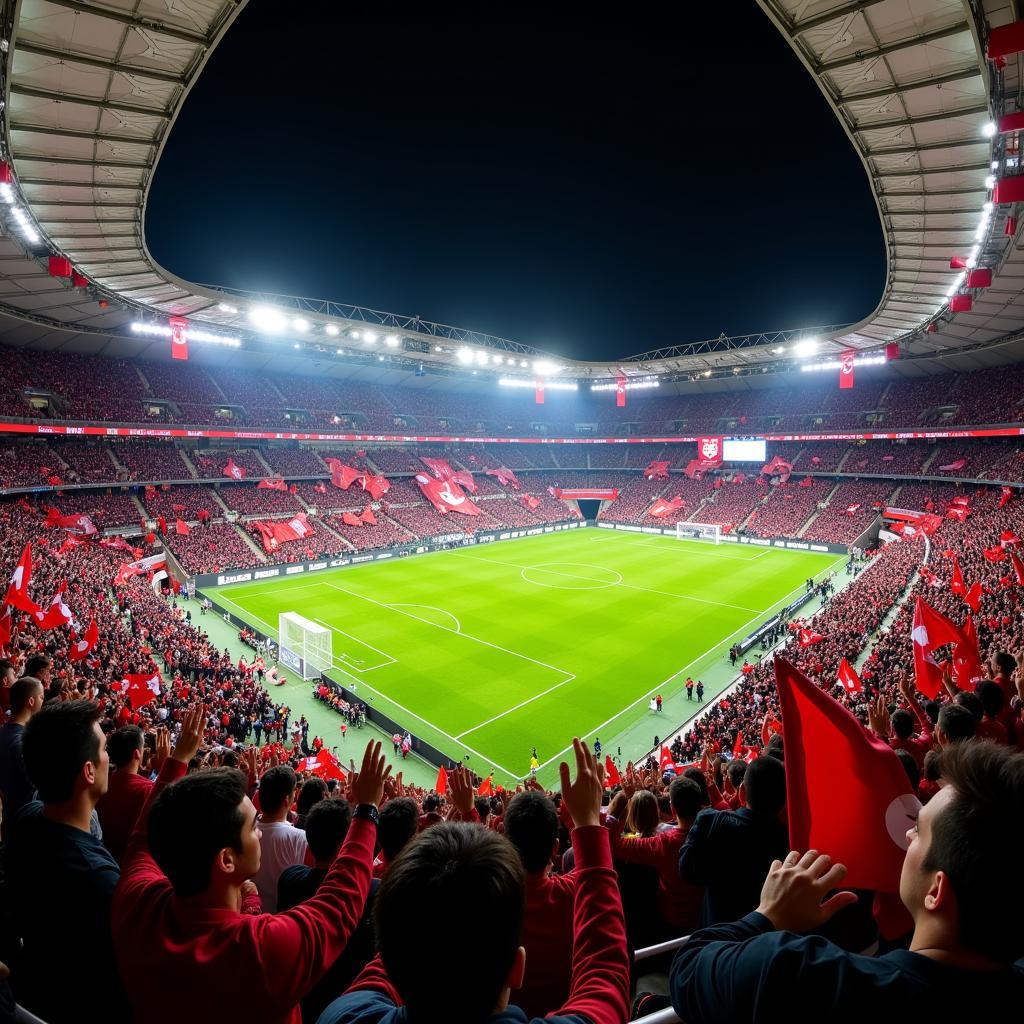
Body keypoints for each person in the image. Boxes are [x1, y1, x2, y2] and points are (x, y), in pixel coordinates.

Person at [670, 741, 1024, 1022]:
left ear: (936, 891)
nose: (907, 833)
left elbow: (687, 970)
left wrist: (768, 915)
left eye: (919, 830)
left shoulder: (801, 975)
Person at [317, 740, 630, 1024]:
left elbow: (392, 938)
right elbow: (604, 976)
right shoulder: (571, 895)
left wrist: (466, 812)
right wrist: (589, 824)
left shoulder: (344, 1015)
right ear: (515, 968)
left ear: (390, 947)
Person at [112, 719, 391, 1024]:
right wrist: (366, 811)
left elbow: (143, 837)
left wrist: (177, 761)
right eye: (252, 827)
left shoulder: (136, 902)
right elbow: (339, 904)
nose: (259, 833)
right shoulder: (258, 951)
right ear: (227, 860)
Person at [6, 699, 130, 1023]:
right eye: (104, 749)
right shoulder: (98, 879)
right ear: (88, 771)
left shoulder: (28, 816)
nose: (109, 759)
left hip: (35, 987)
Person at [278, 797, 378, 1024]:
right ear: (348, 843)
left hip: (301, 1001)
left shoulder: (290, 879)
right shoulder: (372, 892)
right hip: (346, 1009)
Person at [679, 755, 788, 926]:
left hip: (718, 941)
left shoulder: (711, 823)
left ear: (742, 792)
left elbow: (687, 870)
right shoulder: (789, 842)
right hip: (764, 940)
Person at [503, 788, 577, 1018]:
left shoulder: (488, 899)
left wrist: (468, 813)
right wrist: (576, 823)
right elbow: (597, 867)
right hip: (566, 1013)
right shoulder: (578, 891)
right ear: (556, 848)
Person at [606, 776, 703, 935]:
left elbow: (612, 843)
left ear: (672, 809)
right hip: (707, 919)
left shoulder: (663, 843)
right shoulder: (716, 830)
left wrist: (625, 797)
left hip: (672, 924)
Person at [253, 764, 309, 912]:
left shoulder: (245, 830)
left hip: (247, 913)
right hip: (281, 923)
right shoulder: (300, 839)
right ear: (287, 800)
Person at [96, 725, 154, 864]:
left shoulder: (100, 781)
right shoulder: (148, 790)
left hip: (103, 858)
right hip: (128, 866)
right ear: (137, 754)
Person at [0, 675, 44, 816]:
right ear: (31, 701)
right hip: (24, 821)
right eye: (41, 698)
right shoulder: (23, 743)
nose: (43, 702)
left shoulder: (3, 732)